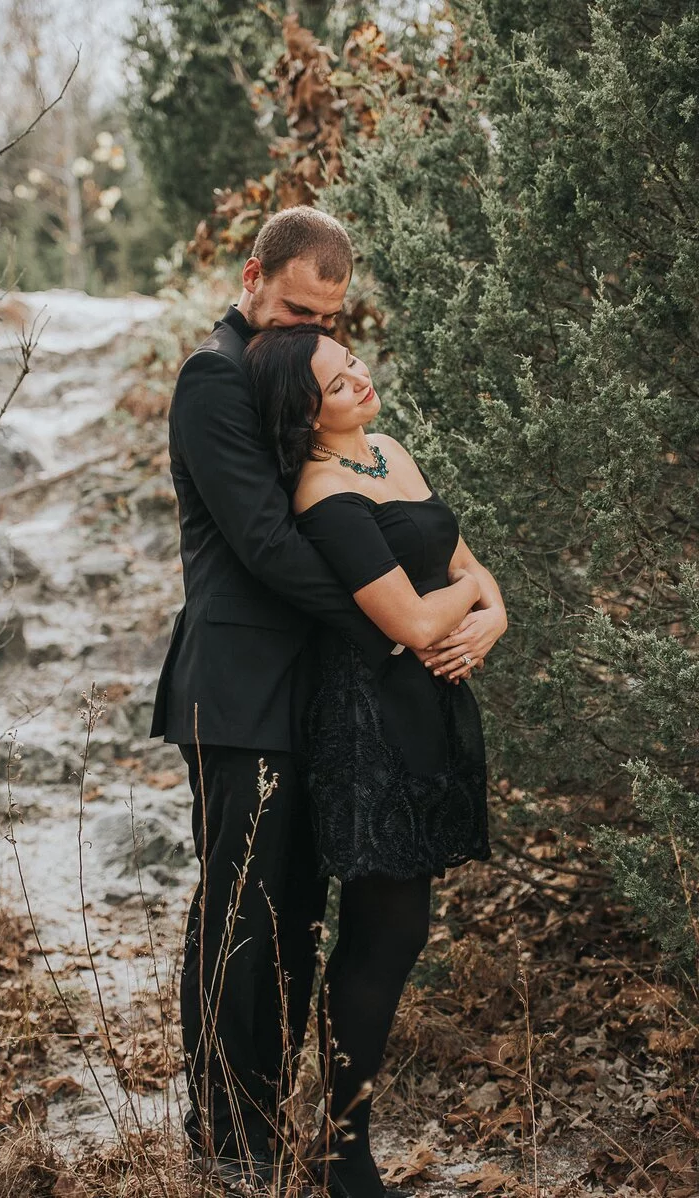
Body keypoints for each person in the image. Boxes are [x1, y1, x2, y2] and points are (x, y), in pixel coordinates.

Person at [148, 206, 504, 1196]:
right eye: (292, 309)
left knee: (298, 909)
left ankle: (276, 1120)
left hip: (312, 693)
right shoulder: (215, 375)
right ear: (253, 274)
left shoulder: (291, 373)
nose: (301, 332)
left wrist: (469, 599)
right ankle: (224, 1131)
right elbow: (266, 543)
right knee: (240, 912)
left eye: (324, 319)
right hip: (238, 684)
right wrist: (390, 620)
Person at [242, 321, 507, 1198]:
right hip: (369, 728)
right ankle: (341, 1151)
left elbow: (467, 567)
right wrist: (473, 601)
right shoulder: (322, 492)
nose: (357, 377)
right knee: (379, 935)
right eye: (333, 379)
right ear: (301, 410)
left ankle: (338, 1139)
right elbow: (418, 623)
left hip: (427, 709)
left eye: (352, 361)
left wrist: (493, 613)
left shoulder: (387, 448)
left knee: (400, 932)